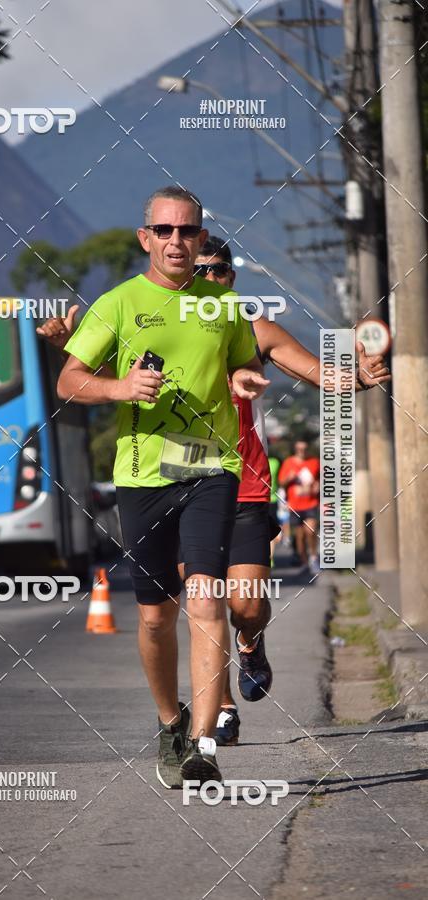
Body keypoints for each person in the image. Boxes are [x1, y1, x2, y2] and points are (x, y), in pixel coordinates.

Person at [43, 230, 391, 751]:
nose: (206, 277)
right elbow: (109, 380)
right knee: (203, 602)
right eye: (198, 270)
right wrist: (69, 349)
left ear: (231, 277)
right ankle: (218, 712)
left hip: (243, 483)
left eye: (217, 270)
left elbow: (319, 372)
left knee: (245, 602)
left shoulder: (247, 326)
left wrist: (357, 378)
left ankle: (251, 641)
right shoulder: (148, 322)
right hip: (178, 484)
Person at [57, 186, 268, 789]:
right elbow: (70, 381)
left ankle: (204, 746)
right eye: (165, 230)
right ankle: (170, 721)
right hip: (143, 476)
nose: (177, 241)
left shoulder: (224, 307)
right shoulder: (118, 303)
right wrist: (120, 388)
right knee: (155, 618)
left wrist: (246, 377)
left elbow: (238, 363)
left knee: (205, 596)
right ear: (145, 237)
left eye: (188, 231)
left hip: (210, 469)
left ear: (202, 238)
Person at [278, 441, 321, 574]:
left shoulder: (314, 462)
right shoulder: (288, 463)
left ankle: (313, 557)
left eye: (304, 448)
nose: (302, 451)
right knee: (299, 536)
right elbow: (281, 482)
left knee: (311, 530)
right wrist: (289, 478)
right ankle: (304, 561)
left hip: (311, 503)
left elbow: (322, 479)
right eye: (299, 449)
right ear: (295, 449)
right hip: (295, 505)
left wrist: (318, 485)